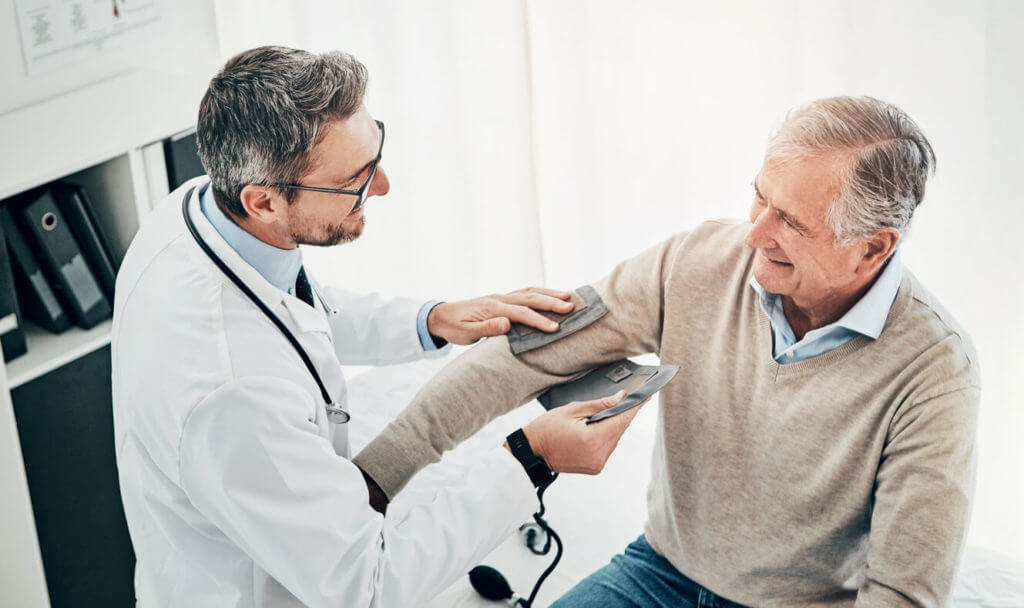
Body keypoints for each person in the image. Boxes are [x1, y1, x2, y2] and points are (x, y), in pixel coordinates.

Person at [354, 96, 981, 607]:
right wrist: (373, 480)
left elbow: (903, 593)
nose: (754, 233)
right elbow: (526, 353)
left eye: (791, 221)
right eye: (760, 195)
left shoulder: (935, 370)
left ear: (873, 248)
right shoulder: (697, 260)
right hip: (657, 572)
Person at [111, 46, 645, 608]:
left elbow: (296, 308)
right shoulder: (232, 394)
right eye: (357, 179)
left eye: (376, 152)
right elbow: (367, 586)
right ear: (265, 201)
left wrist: (431, 321)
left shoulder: (200, 210)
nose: (384, 186)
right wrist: (531, 459)